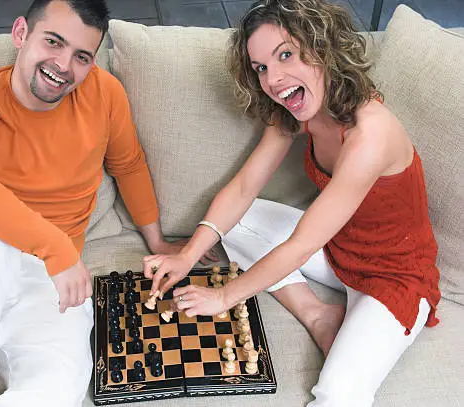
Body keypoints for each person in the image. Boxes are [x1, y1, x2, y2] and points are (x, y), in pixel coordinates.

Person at [143, 1, 441, 406]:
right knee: (239, 217)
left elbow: (301, 243)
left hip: (394, 276)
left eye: (285, 54)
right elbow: (246, 185)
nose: (274, 79)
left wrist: (226, 296)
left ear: (320, 47)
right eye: (261, 67)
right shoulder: (296, 109)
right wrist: (188, 254)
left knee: (337, 394)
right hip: (338, 252)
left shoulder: (371, 135)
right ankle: (318, 314)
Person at [0, 1, 216, 406]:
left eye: (81, 56)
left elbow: (128, 165)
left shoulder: (105, 92)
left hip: (51, 280)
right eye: (53, 42)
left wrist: (159, 242)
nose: (63, 65)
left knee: (58, 389)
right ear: (21, 33)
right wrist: (54, 247)